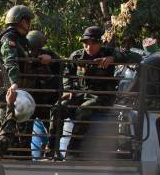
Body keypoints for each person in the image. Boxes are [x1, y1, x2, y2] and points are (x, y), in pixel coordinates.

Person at [47, 26, 141, 158]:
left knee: (83, 110)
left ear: (100, 43)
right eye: (86, 43)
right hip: (80, 94)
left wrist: (113, 58)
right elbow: (67, 74)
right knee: (57, 108)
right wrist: (69, 89)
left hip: (102, 96)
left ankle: (72, 152)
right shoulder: (77, 56)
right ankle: (51, 150)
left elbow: (136, 57)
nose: (89, 47)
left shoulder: (109, 52)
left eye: (93, 43)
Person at [0, 5, 51, 154]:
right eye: (28, 21)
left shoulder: (21, 41)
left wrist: (40, 60)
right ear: (22, 22)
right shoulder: (10, 39)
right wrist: (14, 83)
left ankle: (23, 158)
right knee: (14, 134)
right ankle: (16, 161)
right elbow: (10, 61)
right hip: (15, 95)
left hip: (24, 94)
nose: (29, 25)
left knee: (24, 135)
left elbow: (26, 60)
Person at [26, 30, 62, 159]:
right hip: (31, 99)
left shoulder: (48, 54)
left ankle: (53, 151)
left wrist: (50, 60)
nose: (34, 51)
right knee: (27, 129)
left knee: (51, 127)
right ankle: (25, 155)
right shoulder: (26, 54)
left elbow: (60, 65)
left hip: (46, 98)